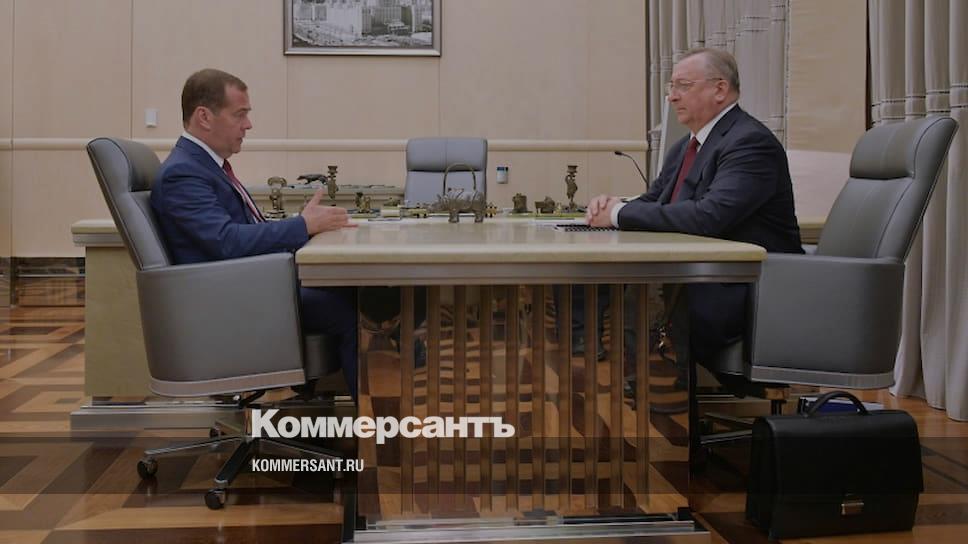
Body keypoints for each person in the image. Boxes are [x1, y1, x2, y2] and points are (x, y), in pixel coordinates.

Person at [586, 48, 803, 368]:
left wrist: (618, 215)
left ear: (720, 89)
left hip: (744, 290)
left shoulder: (749, 142)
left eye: (683, 86)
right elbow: (655, 199)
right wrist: (613, 204)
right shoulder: (686, 146)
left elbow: (708, 216)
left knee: (635, 294)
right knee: (599, 286)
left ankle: (654, 389)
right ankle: (637, 387)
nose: (672, 97)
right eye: (671, 87)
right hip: (702, 278)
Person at [150, 68, 360, 398]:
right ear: (204, 117)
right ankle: (382, 423)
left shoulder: (203, 165)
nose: (248, 125)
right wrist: (302, 226)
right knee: (356, 308)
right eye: (240, 114)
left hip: (247, 286)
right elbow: (227, 241)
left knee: (358, 290)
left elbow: (238, 234)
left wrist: (301, 223)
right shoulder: (183, 174)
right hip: (233, 300)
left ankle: (363, 410)